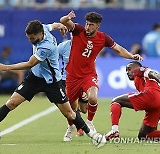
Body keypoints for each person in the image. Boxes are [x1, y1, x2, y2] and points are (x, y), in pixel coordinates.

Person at [0, 20, 106, 147]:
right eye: (29, 38)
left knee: (69, 113)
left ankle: (92, 134)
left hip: (52, 82)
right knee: (11, 103)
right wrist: (61, 26)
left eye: (32, 38)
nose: (30, 40)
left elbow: (29, 63)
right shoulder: (43, 28)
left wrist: (6, 67)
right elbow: (53, 25)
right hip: (35, 78)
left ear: (40, 34)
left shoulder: (46, 47)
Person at [60, 10, 143, 141]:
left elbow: (118, 49)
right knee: (71, 108)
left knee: (93, 98)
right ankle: (70, 128)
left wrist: (131, 56)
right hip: (72, 76)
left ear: (98, 25)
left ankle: (89, 122)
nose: (87, 27)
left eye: (91, 25)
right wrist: (68, 17)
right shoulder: (78, 30)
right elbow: (63, 21)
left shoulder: (103, 38)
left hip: (88, 75)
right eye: (87, 24)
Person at [105, 61, 160, 140]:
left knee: (116, 101)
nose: (127, 72)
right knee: (144, 136)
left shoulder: (139, 70)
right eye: (126, 70)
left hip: (151, 96)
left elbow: (153, 73)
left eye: (129, 69)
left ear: (135, 67)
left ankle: (114, 130)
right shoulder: (141, 79)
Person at [57, 39, 88, 139]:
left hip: (80, 79)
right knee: (70, 106)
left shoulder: (86, 47)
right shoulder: (63, 46)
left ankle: (79, 122)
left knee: (84, 109)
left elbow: (90, 64)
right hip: (65, 80)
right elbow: (52, 56)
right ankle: (71, 127)